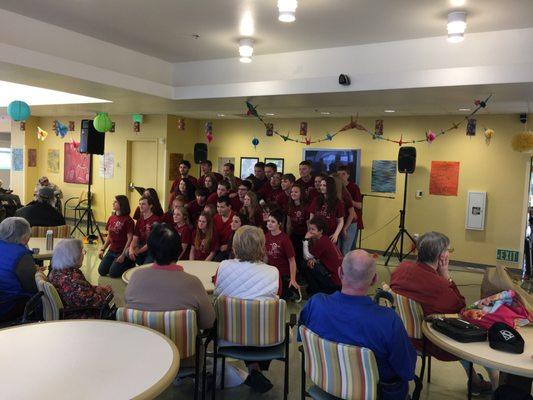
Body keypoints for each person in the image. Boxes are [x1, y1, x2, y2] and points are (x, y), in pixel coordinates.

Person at [299, 250, 417, 400]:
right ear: (374, 279)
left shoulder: (315, 304)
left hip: (326, 386)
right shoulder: (389, 321)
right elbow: (407, 370)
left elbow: (302, 340)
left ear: (340, 272)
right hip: (375, 395)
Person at [390, 231, 494, 395]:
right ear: (441, 257)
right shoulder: (438, 285)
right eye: (448, 250)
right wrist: (446, 275)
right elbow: (459, 307)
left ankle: (474, 381)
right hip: (431, 340)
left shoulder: (401, 269)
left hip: (403, 335)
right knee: (470, 335)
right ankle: (495, 386)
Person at [214, 225, 280, 393]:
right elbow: (276, 297)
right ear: (261, 246)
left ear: (235, 246)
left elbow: (216, 290)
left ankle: (250, 369)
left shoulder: (223, 267)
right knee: (256, 316)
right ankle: (255, 369)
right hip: (265, 339)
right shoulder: (273, 272)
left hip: (229, 336)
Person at [125, 223, 215, 334]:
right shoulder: (193, 283)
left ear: (151, 252)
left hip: (143, 345)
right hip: (182, 349)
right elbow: (208, 322)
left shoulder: (135, 278)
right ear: (178, 251)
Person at [48, 239, 113, 319]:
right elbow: (95, 302)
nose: (83, 254)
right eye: (82, 252)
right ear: (73, 257)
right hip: (80, 318)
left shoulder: (57, 271)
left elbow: (82, 290)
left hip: (71, 310)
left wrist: (97, 288)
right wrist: (107, 294)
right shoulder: (72, 281)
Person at [0, 217, 40, 322]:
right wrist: (38, 274)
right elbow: (32, 287)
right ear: (24, 236)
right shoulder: (21, 254)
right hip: (9, 304)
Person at [302, 217, 342, 295]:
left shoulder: (322, 242)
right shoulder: (325, 239)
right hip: (339, 280)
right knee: (311, 262)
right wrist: (313, 259)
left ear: (320, 231)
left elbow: (306, 257)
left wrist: (305, 240)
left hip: (334, 282)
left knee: (305, 264)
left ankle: (315, 291)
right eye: (309, 229)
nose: (310, 231)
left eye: (313, 229)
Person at [265, 209, 300, 298]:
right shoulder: (266, 236)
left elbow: (292, 261)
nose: (269, 223)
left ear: (279, 224)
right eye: (268, 221)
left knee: (281, 296)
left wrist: (293, 279)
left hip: (283, 274)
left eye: (273, 221)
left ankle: (292, 292)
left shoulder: (285, 239)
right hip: (271, 273)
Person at [98, 195, 135, 278]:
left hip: (121, 251)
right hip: (111, 251)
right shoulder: (111, 218)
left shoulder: (128, 220)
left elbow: (130, 239)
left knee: (113, 274)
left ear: (121, 204)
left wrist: (123, 255)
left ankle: (129, 263)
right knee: (102, 271)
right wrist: (103, 249)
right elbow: (109, 236)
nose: (113, 203)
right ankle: (114, 263)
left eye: (115, 202)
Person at [308, 176, 344, 244]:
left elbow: (340, 221)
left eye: (324, 185)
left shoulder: (337, 202)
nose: (321, 187)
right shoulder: (316, 199)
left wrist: (336, 235)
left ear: (330, 187)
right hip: (316, 234)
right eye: (321, 185)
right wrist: (311, 231)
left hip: (330, 235)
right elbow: (311, 217)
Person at [338, 165, 363, 248]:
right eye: (339, 174)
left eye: (343, 174)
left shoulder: (354, 187)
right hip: (340, 220)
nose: (341, 176)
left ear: (348, 175)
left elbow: (359, 205)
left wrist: (348, 200)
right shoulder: (336, 188)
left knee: (348, 247)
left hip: (351, 221)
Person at [129, 197, 160, 265]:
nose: (140, 206)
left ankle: (149, 263)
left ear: (150, 206)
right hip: (142, 246)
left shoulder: (156, 220)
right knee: (127, 252)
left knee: (145, 269)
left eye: (143, 204)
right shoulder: (140, 220)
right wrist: (131, 249)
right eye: (139, 204)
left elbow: (152, 242)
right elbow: (135, 238)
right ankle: (140, 262)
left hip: (152, 249)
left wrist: (139, 251)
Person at [332, 173, 357, 256]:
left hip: (349, 223)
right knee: (337, 249)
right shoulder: (333, 194)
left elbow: (352, 214)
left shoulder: (345, 195)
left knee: (345, 250)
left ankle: (345, 268)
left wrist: (345, 228)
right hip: (340, 223)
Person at [287, 184, 310, 272]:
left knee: (303, 256)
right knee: (293, 254)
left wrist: (307, 239)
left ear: (301, 194)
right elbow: (289, 224)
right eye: (292, 192)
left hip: (304, 235)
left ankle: (303, 275)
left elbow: (308, 225)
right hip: (294, 234)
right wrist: (288, 237)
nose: (293, 193)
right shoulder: (290, 206)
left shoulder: (306, 207)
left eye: (296, 192)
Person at [213, 196, 235, 261]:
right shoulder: (215, 217)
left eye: (222, 207)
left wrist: (229, 246)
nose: (219, 209)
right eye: (218, 206)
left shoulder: (235, 218)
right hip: (216, 247)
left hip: (229, 250)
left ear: (229, 207)